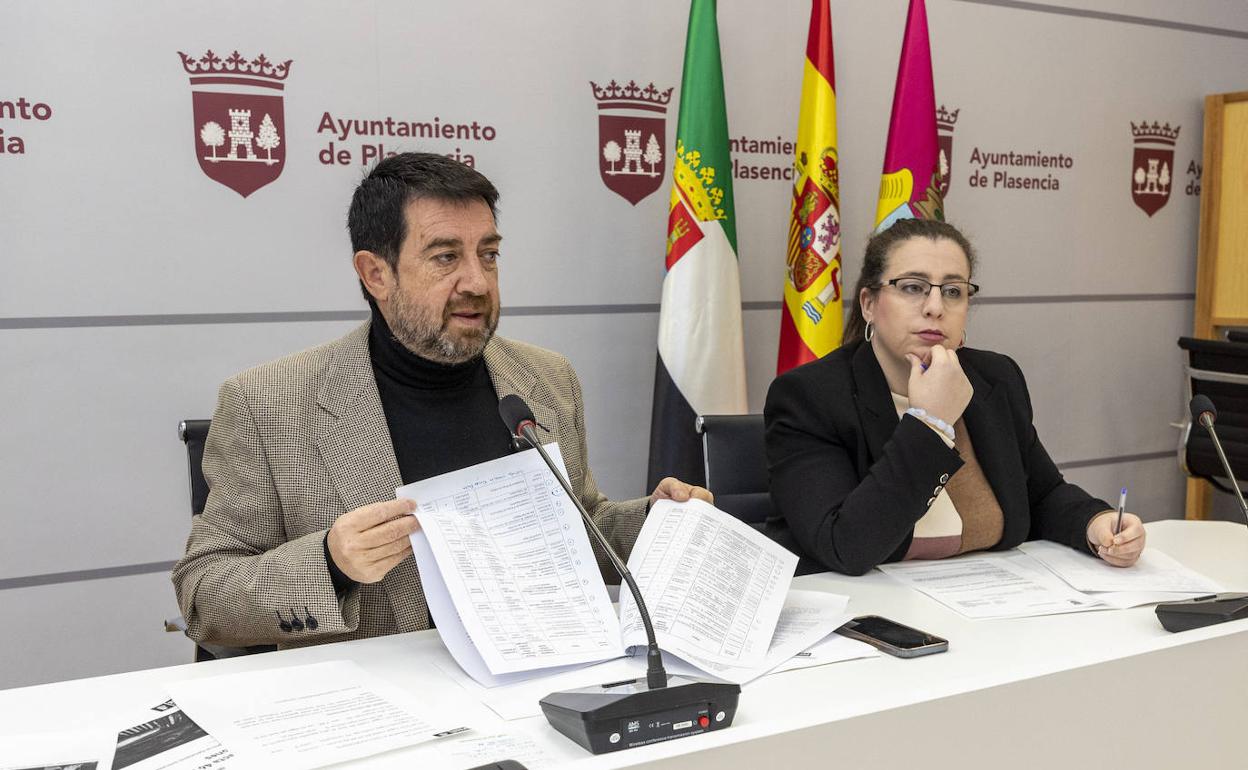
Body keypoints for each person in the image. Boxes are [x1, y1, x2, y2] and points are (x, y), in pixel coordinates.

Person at [173, 152, 710, 648]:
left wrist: (654, 523)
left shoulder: (546, 379)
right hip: (382, 706)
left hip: (538, 674)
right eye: (445, 257)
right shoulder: (268, 404)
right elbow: (203, 594)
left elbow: (580, 529)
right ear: (376, 273)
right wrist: (331, 562)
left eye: (489, 254)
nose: (476, 281)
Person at [764, 218, 1146, 576]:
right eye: (912, 287)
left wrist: (1094, 524)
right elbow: (845, 545)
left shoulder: (995, 378)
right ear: (869, 304)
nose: (935, 307)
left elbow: (1041, 494)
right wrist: (930, 424)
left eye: (952, 291)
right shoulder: (810, 397)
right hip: (873, 615)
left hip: (990, 607)